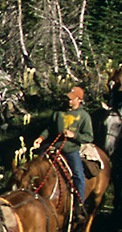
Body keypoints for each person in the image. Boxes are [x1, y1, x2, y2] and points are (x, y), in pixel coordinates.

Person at [34, 84, 93, 213]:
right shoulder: (58, 113)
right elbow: (49, 129)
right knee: (36, 165)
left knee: (78, 176)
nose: (68, 101)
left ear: (79, 100)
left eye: (72, 99)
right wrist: (41, 138)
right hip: (54, 147)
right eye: (68, 98)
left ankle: (79, 206)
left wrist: (74, 135)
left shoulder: (84, 116)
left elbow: (89, 137)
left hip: (70, 150)